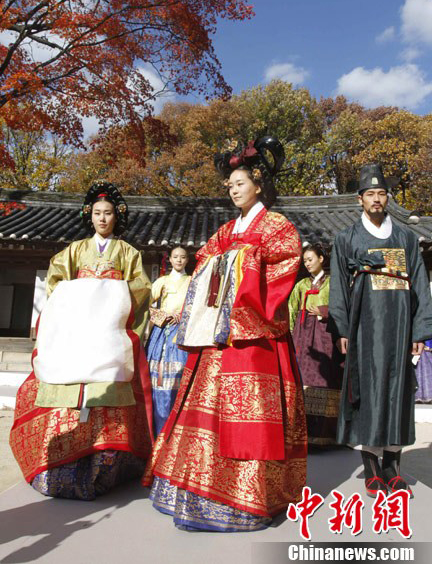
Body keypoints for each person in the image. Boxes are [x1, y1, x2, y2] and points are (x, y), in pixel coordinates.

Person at [143, 137, 307, 532]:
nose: (233, 190)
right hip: (217, 340)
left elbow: (282, 270)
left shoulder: (278, 227)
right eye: (230, 184)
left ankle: (247, 498)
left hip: (254, 339)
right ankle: (197, 489)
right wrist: (224, 264)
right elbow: (203, 266)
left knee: (247, 417)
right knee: (205, 411)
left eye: (239, 182)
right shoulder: (225, 230)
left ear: (259, 184)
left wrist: (236, 263)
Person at [9, 182, 153, 500]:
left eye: (109, 213)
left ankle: (107, 469)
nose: (103, 219)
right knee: (66, 398)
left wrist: (110, 296)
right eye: (98, 213)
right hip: (78, 337)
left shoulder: (128, 253)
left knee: (108, 399)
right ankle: (60, 466)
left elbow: (141, 288)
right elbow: (56, 285)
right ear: (90, 216)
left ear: (117, 217)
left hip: (109, 337)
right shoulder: (73, 251)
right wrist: (86, 294)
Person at [329, 164, 432, 497]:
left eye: (381, 193)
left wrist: (420, 331)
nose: (376, 199)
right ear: (360, 199)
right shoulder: (346, 238)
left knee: (398, 392)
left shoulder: (404, 237)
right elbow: (338, 291)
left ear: (387, 198)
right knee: (369, 391)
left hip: (400, 326)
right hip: (365, 327)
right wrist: (343, 327)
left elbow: (419, 286)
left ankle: (393, 466)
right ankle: (372, 468)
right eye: (370, 194)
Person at [289, 244, 344, 446]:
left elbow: (343, 306)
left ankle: (328, 434)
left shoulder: (333, 283)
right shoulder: (301, 284)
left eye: (310, 259)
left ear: (321, 258)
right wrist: (292, 338)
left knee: (327, 379)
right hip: (303, 339)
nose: (307, 263)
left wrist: (323, 311)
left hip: (326, 337)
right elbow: (291, 311)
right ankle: (303, 434)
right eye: (304, 261)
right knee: (303, 380)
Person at [146, 245, 191, 435]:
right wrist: (161, 315)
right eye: (175, 257)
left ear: (187, 260)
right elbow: (146, 303)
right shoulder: (161, 281)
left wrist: (181, 316)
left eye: (182, 257)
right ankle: (156, 431)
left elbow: (195, 307)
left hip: (182, 333)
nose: (179, 260)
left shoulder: (192, 281)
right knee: (156, 376)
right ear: (169, 260)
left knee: (180, 376)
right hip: (162, 331)